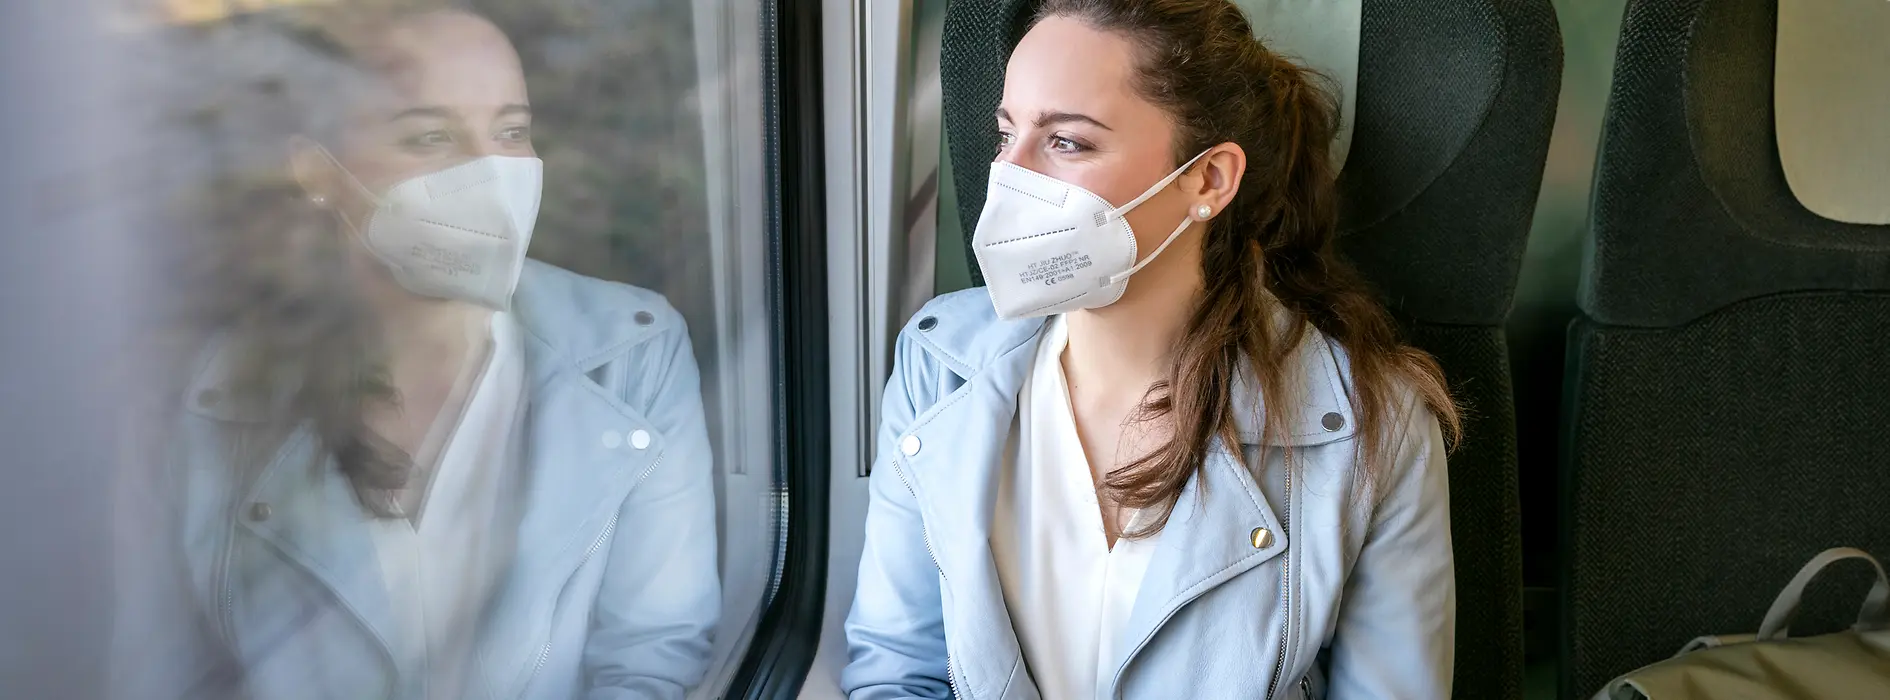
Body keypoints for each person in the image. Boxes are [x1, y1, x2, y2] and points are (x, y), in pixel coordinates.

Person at [843, 1, 1460, 698]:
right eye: (1006, 135)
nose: (1010, 179)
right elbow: (897, 671)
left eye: (1066, 142)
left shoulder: (1375, 426)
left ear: (1208, 180)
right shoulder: (938, 368)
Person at [110, 6, 720, 699]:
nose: (489, 173)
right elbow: (157, 670)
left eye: (511, 132)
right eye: (430, 137)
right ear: (319, 171)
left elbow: (652, 657)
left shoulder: (632, 350)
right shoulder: (201, 397)